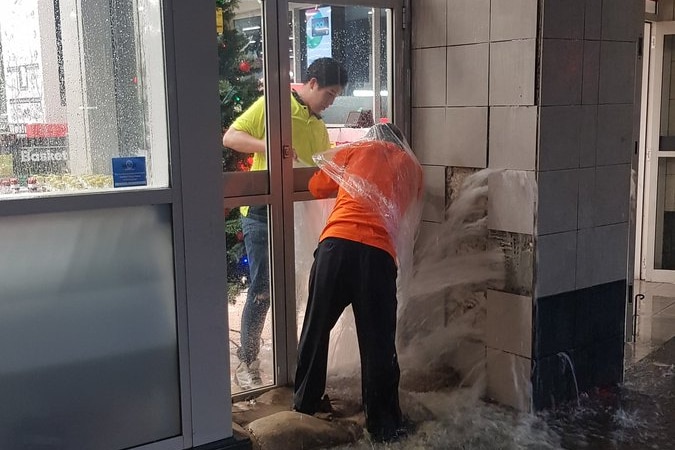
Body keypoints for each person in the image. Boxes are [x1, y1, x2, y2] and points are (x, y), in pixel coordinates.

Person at [222, 57, 348, 390]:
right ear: (312, 84)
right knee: (263, 288)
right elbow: (231, 137)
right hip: (263, 212)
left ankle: (287, 359)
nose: (331, 101)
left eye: (336, 96)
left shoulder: (318, 126)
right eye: (330, 93)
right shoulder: (272, 107)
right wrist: (270, 147)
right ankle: (247, 362)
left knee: (294, 287)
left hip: (298, 213)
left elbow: (322, 169)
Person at [293, 123, 424, 443]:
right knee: (378, 342)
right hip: (377, 257)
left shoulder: (358, 150)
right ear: (401, 144)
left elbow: (317, 186)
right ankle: (383, 425)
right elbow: (401, 210)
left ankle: (304, 405)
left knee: (316, 327)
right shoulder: (414, 169)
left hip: (335, 248)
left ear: (372, 139)